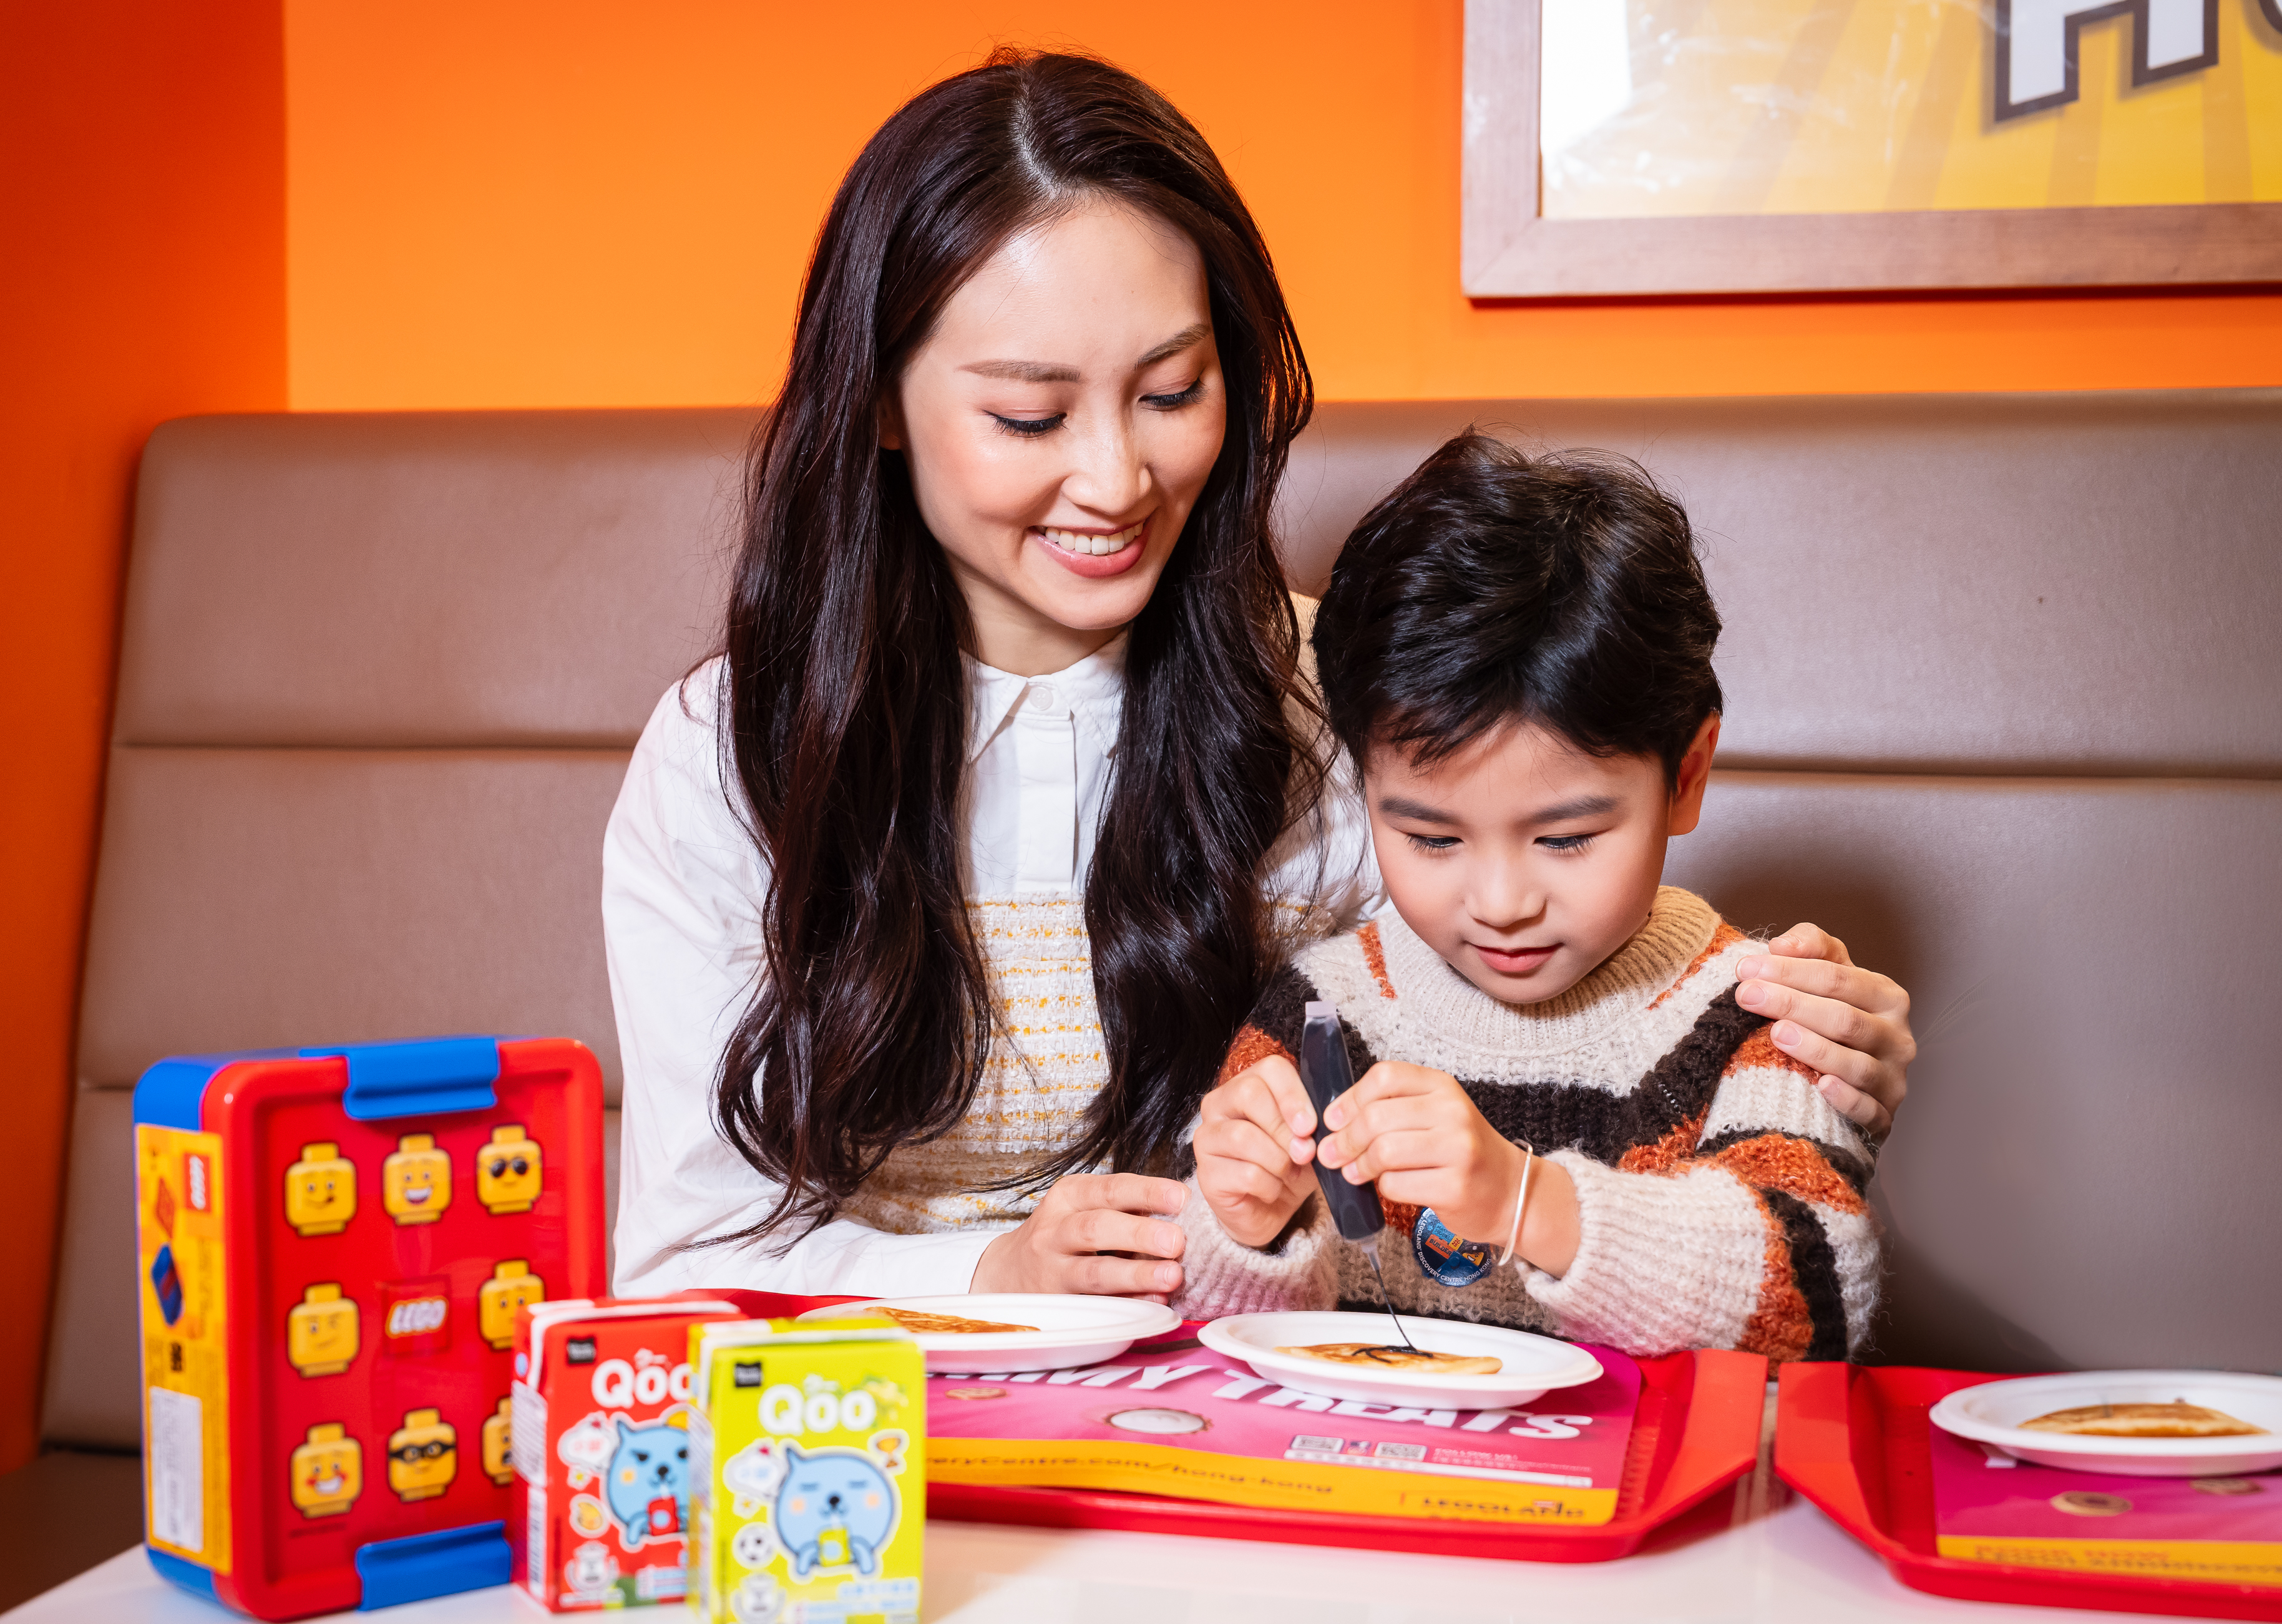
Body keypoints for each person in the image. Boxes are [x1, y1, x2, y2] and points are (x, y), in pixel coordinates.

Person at [602, 51, 1916, 1301]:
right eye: (1028, 416)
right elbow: (680, 1255)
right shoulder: (733, 750)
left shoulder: (1335, 700)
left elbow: (1535, 1002)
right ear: (878, 403)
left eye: (1170, 392)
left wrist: (1796, 1050)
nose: (1117, 481)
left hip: (1243, 1412)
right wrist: (987, 1275)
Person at [1179, 432, 1878, 1360]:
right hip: (1366, 1481)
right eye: (1431, 837)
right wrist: (1239, 1225)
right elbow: (1209, 1330)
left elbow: (1818, 1296)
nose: (1502, 900)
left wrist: (1526, 1200)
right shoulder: (1325, 1013)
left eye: (1566, 839)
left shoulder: (1759, 1010)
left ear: (1687, 775)